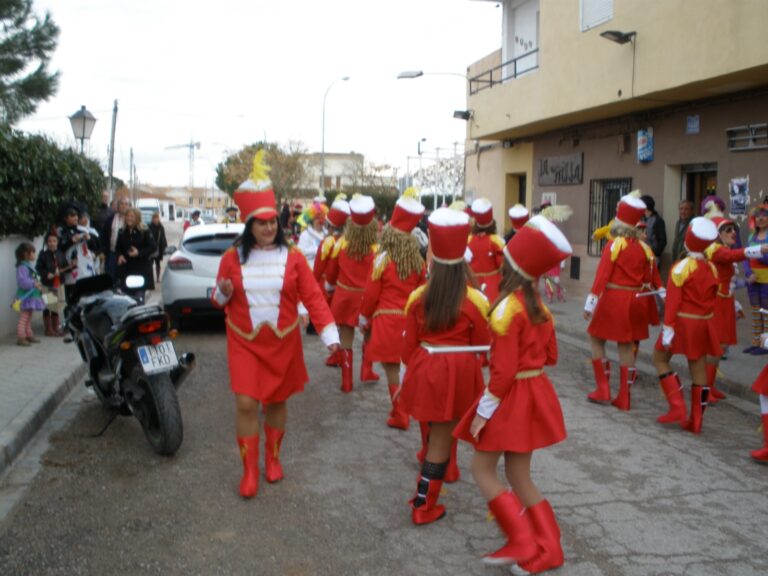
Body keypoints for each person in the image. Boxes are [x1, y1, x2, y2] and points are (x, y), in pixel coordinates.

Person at [210, 151, 340, 498]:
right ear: (249, 224)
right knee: (246, 404)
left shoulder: (294, 257)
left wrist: (330, 335)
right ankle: (249, 470)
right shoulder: (230, 258)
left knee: (278, 402)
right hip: (244, 341)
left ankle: (273, 458)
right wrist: (223, 293)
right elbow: (216, 300)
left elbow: (313, 297)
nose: (269, 227)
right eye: (261, 221)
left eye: (272, 221)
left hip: (282, 340)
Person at [454, 214, 572, 571]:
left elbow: (503, 375)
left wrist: (482, 413)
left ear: (510, 265)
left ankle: (522, 539)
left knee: (481, 466)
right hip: (535, 391)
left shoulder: (506, 307)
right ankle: (549, 548)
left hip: (511, 397)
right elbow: (550, 356)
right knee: (520, 476)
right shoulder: (541, 307)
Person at [399, 207, 490, 525]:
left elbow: (407, 349)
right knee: (443, 438)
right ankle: (423, 505)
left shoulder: (417, 297)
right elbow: (485, 345)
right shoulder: (475, 300)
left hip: (427, 366)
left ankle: (426, 499)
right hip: (460, 373)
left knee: (438, 434)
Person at [360, 192, 426, 431]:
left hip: (386, 320)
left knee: (391, 369)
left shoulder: (382, 260)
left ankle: (400, 413)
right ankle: (405, 410)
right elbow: (421, 293)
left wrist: (364, 317)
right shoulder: (418, 262)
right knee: (408, 367)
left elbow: (370, 294)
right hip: (410, 321)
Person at [583, 194, 653, 411]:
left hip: (614, 298)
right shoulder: (643, 247)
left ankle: (603, 388)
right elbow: (649, 278)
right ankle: (624, 396)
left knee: (596, 338)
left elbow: (603, 275)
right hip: (636, 299)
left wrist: (591, 302)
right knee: (626, 345)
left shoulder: (615, 244)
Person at [653, 217, 720, 434]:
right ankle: (697, 421)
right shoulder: (711, 268)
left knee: (660, 358)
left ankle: (677, 405)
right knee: (698, 367)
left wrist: (668, 328)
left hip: (682, 322)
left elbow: (673, 302)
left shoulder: (681, 267)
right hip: (703, 324)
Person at [703, 215, 768, 402]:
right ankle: (705, 389)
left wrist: (740, 293)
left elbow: (729, 281)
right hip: (717, 303)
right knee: (716, 347)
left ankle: (710, 386)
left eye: (734, 229)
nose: (733, 233)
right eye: (728, 230)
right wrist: (758, 249)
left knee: (721, 347)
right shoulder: (716, 250)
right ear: (718, 234)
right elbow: (734, 255)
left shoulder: (723, 250)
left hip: (725, 302)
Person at [325, 194, 380, 392]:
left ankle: (346, 382)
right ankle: (366, 371)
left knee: (346, 338)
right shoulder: (377, 249)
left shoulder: (341, 244)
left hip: (344, 296)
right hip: (366, 298)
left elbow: (331, 273)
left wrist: (330, 288)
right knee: (368, 335)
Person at [314, 195, 351, 366]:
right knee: (343, 327)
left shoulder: (328, 242)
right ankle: (341, 358)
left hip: (327, 285)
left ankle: (336, 356)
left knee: (332, 323)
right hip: (343, 286)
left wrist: (313, 282)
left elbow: (319, 267)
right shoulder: (347, 241)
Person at [466, 198, 505, 303]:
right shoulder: (497, 241)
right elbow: (503, 268)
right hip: (493, 287)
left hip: (471, 285)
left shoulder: (467, 240)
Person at [742, 204, 768, 355]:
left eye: (764, 215)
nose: (760, 218)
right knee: (755, 311)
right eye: (757, 216)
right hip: (753, 278)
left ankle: (765, 344)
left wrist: (758, 254)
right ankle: (756, 341)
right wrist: (747, 273)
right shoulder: (752, 236)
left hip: (766, 279)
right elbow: (745, 256)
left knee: (766, 312)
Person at [116, 207, 156, 303]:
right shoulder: (121, 232)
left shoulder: (145, 231)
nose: (129, 218)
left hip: (141, 270)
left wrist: (139, 252)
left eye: (132, 216)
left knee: (138, 300)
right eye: (128, 216)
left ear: (137, 218)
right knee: (127, 300)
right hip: (127, 270)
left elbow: (153, 247)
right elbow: (118, 248)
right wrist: (120, 255)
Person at [36, 231, 69, 337]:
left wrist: (70, 266)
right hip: (48, 284)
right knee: (48, 306)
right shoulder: (43, 255)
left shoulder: (61, 254)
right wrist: (47, 274)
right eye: (49, 241)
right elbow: (39, 268)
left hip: (59, 283)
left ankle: (56, 327)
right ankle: (48, 329)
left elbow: (66, 267)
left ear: (57, 242)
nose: (52, 243)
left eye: (54, 241)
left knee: (57, 306)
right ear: (46, 242)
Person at [13, 242, 45, 346]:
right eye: (32, 253)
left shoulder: (28, 266)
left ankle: (28, 334)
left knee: (28, 317)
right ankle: (21, 337)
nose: (34, 255)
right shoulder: (23, 267)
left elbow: (35, 277)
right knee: (24, 318)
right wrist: (34, 283)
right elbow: (22, 282)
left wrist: (38, 283)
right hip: (25, 297)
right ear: (25, 254)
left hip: (30, 296)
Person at [102, 196, 130, 283]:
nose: (123, 206)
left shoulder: (131, 219)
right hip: (112, 253)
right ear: (118, 206)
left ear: (129, 206)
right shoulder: (110, 219)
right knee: (110, 278)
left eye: (126, 204)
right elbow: (104, 235)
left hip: (127, 255)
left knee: (125, 279)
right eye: (121, 204)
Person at [640, 195, 667, 260]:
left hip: (652, 257)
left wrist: (654, 252)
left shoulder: (658, 220)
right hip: (641, 254)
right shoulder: (641, 219)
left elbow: (663, 241)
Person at [148, 212, 168, 284]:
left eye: (157, 218)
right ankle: (150, 278)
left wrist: (165, 247)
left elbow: (163, 237)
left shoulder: (161, 227)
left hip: (158, 248)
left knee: (158, 264)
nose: (155, 220)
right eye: (154, 218)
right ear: (152, 219)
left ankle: (158, 278)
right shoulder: (149, 226)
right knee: (150, 264)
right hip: (151, 248)